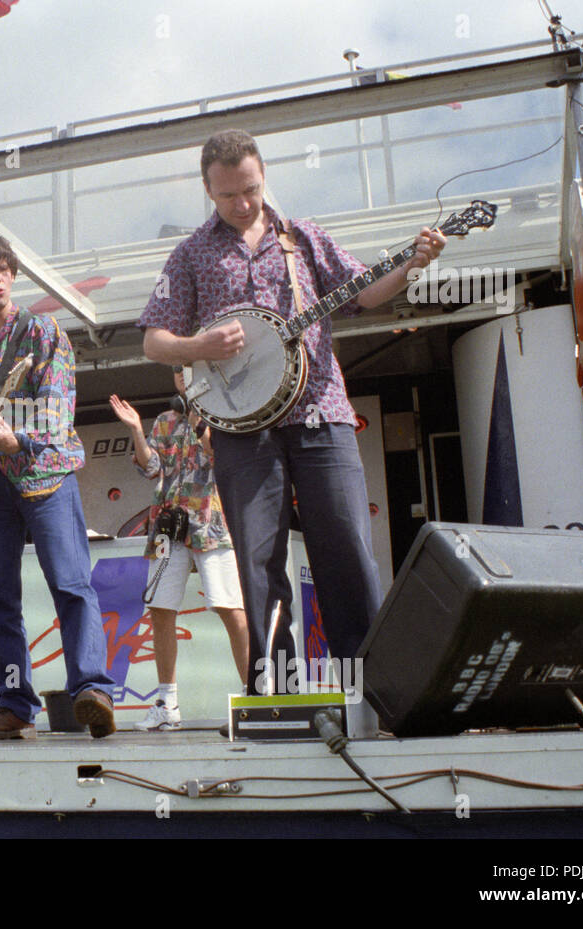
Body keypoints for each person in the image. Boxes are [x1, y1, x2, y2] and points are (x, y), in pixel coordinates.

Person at [138, 129, 445, 696]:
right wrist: (198, 347)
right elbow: (155, 341)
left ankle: (366, 692)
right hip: (240, 431)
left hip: (320, 413)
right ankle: (277, 696)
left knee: (348, 553)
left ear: (262, 176)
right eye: (228, 195)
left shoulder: (302, 238)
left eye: (251, 189)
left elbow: (364, 292)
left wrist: (412, 265)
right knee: (258, 566)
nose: (243, 203)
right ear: (208, 190)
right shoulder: (189, 255)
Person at [0, 235, 115, 740]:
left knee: (72, 586)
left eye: (5, 268)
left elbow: (58, 410)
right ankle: (14, 706)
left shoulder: (44, 332)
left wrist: (17, 440)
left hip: (46, 477)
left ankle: (91, 690)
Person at [109, 369, 250, 730]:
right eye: (176, 369)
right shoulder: (165, 420)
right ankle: (166, 703)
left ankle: (254, 696)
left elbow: (223, 461)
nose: (182, 375)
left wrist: (202, 425)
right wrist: (137, 430)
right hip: (167, 523)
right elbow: (152, 468)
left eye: (187, 367)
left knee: (229, 606)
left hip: (210, 519)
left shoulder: (226, 410)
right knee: (159, 609)